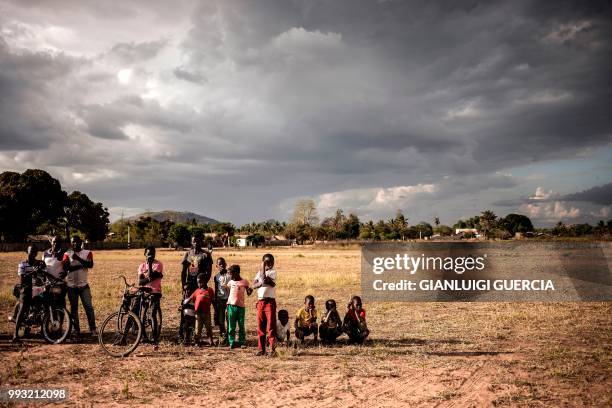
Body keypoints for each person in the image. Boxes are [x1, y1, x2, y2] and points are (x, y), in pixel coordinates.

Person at [179, 234, 213, 340]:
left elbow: (209, 272)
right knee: (186, 309)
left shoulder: (206, 255)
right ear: (191, 242)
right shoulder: (187, 254)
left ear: (201, 241)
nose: (196, 243)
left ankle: (196, 334)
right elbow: (183, 271)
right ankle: (184, 334)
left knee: (198, 310)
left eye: (198, 241)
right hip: (189, 286)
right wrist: (183, 284)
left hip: (200, 287)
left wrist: (202, 287)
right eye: (194, 241)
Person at [65, 235, 97, 338]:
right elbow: (66, 268)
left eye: (76, 242)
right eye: (72, 242)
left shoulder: (87, 253)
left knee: (89, 308)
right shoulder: (67, 254)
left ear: (80, 242)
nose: (74, 244)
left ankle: (93, 329)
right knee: (74, 309)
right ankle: (76, 330)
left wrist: (77, 258)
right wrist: (81, 265)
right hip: (71, 286)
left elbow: (90, 265)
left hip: (84, 286)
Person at [12, 245, 44, 343]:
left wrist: (42, 266)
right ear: (27, 252)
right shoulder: (22, 264)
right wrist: (34, 272)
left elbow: (43, 273)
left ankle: (43, 329)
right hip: (26, 289)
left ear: (36, 253)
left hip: (38, 289)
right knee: (22, 309)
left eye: (34, 252)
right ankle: (15, 333)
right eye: (30, 252)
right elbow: (23, 279)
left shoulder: (39, 263)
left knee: (45, 304)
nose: (32, 254)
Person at [252, 253, 277, 356]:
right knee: (260, 326)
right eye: (267, 262)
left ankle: (272, 349)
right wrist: (260, 283)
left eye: (271, 262)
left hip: (270, 302)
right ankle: (261, 349)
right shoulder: (259, 273)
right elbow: (254, 285)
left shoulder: (273, 272)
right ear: (263, 262)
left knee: (271, 326)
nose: (269, 264)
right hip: (261, 302)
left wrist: (262, 268)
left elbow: (265, 280)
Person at [138, 245, 163, 344]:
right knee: (143, 316)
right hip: (144, 292)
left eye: (152, 254)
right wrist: (150, 278)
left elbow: (152, 276)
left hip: (155, 292)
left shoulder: (158, 264)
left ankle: (155, 337)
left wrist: (149, 266)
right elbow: (140, 282)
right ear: (145, 254)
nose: (151, 256)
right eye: (148, 254)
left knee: (152, 314)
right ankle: (144, 336)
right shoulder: (141, 266)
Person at [224, 265, 252, 349]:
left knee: (241, 325)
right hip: (231, 306)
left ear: (236, 273)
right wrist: (227, 306)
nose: (230, 276)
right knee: (231, 326)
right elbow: (229, 293)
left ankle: (242, 342)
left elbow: (248, 292)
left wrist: (250, 291)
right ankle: (231, 341)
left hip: (241, 307)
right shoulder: (231, 282)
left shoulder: (244, 282)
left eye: (231, 274)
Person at [183, 273, 215, 346]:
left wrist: (216, 310)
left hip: (207, 313)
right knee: (198, 328)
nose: (199, 284)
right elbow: (190, 298)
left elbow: (213, 301)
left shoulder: (210, 290)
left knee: (208, 328)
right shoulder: (197, 291)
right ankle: (197, 341)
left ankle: (211, 341)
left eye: (200, 282)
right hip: (198, 313)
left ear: (205, 281)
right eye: (198, 282)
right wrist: (184, 305)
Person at [42, 236, 69, 308]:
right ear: (51, 242)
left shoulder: (64, 253)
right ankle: (50, 318)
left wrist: (65, 273)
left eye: (58, 242)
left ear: (61, 244)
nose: (56, 243)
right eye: (54, 242)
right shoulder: (45, 253)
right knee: (48, 304)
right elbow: (43, 266)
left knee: (60, 304)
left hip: (59, 283)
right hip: (48, 283)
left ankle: (60, 319)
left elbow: (67, 267)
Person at [213, 257, 230, 341]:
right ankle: (222, 334)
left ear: (226, 264)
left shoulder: (230, 275)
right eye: (220, 264)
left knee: (229, 318)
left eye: (223, 263)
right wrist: (215, 301)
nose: (222, 265)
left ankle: (229, 334)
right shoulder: (216, 277)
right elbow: (216, 289)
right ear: (217, 266)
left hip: (229, 300)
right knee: (221, 319)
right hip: (220, 300)